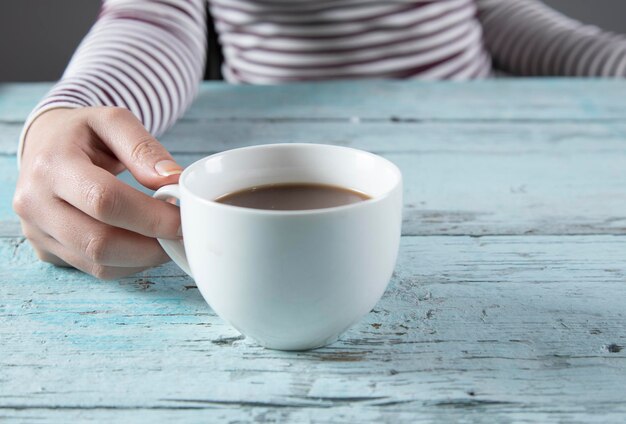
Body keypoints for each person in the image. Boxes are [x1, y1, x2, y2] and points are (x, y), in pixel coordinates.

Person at [13, 0, 626, 279]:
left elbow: (489, 11)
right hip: (287, 152)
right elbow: (153, 19)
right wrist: (70, 113)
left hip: (497, 154)